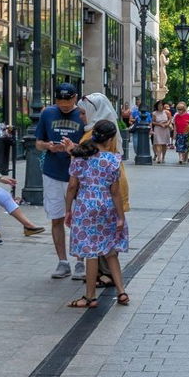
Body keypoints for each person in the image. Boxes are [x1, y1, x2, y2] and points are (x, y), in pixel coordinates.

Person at [64, 120, 129, 309]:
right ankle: (122, 292)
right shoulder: (113, 160)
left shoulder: (80, 158)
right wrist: (120, 216)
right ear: (110, 140)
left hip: (85, 205)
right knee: (110, 250)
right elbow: (115, 191)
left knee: (91, 252)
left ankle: (90, 297)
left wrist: (68, 209)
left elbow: (72, 187)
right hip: (107, 204)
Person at [36, 83, 87, 279]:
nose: (64, 105)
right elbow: (38, 143)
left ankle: (80, 261)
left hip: (77, 174)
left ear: (75, 98)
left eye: (68, 101)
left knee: (78, 218)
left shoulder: (83, 114)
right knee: (56, 218)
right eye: (60, 101)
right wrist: (48, 145)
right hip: (52, 172)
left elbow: (91, 145)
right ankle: (62, 261)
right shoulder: (48, 114)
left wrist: (74, 148)